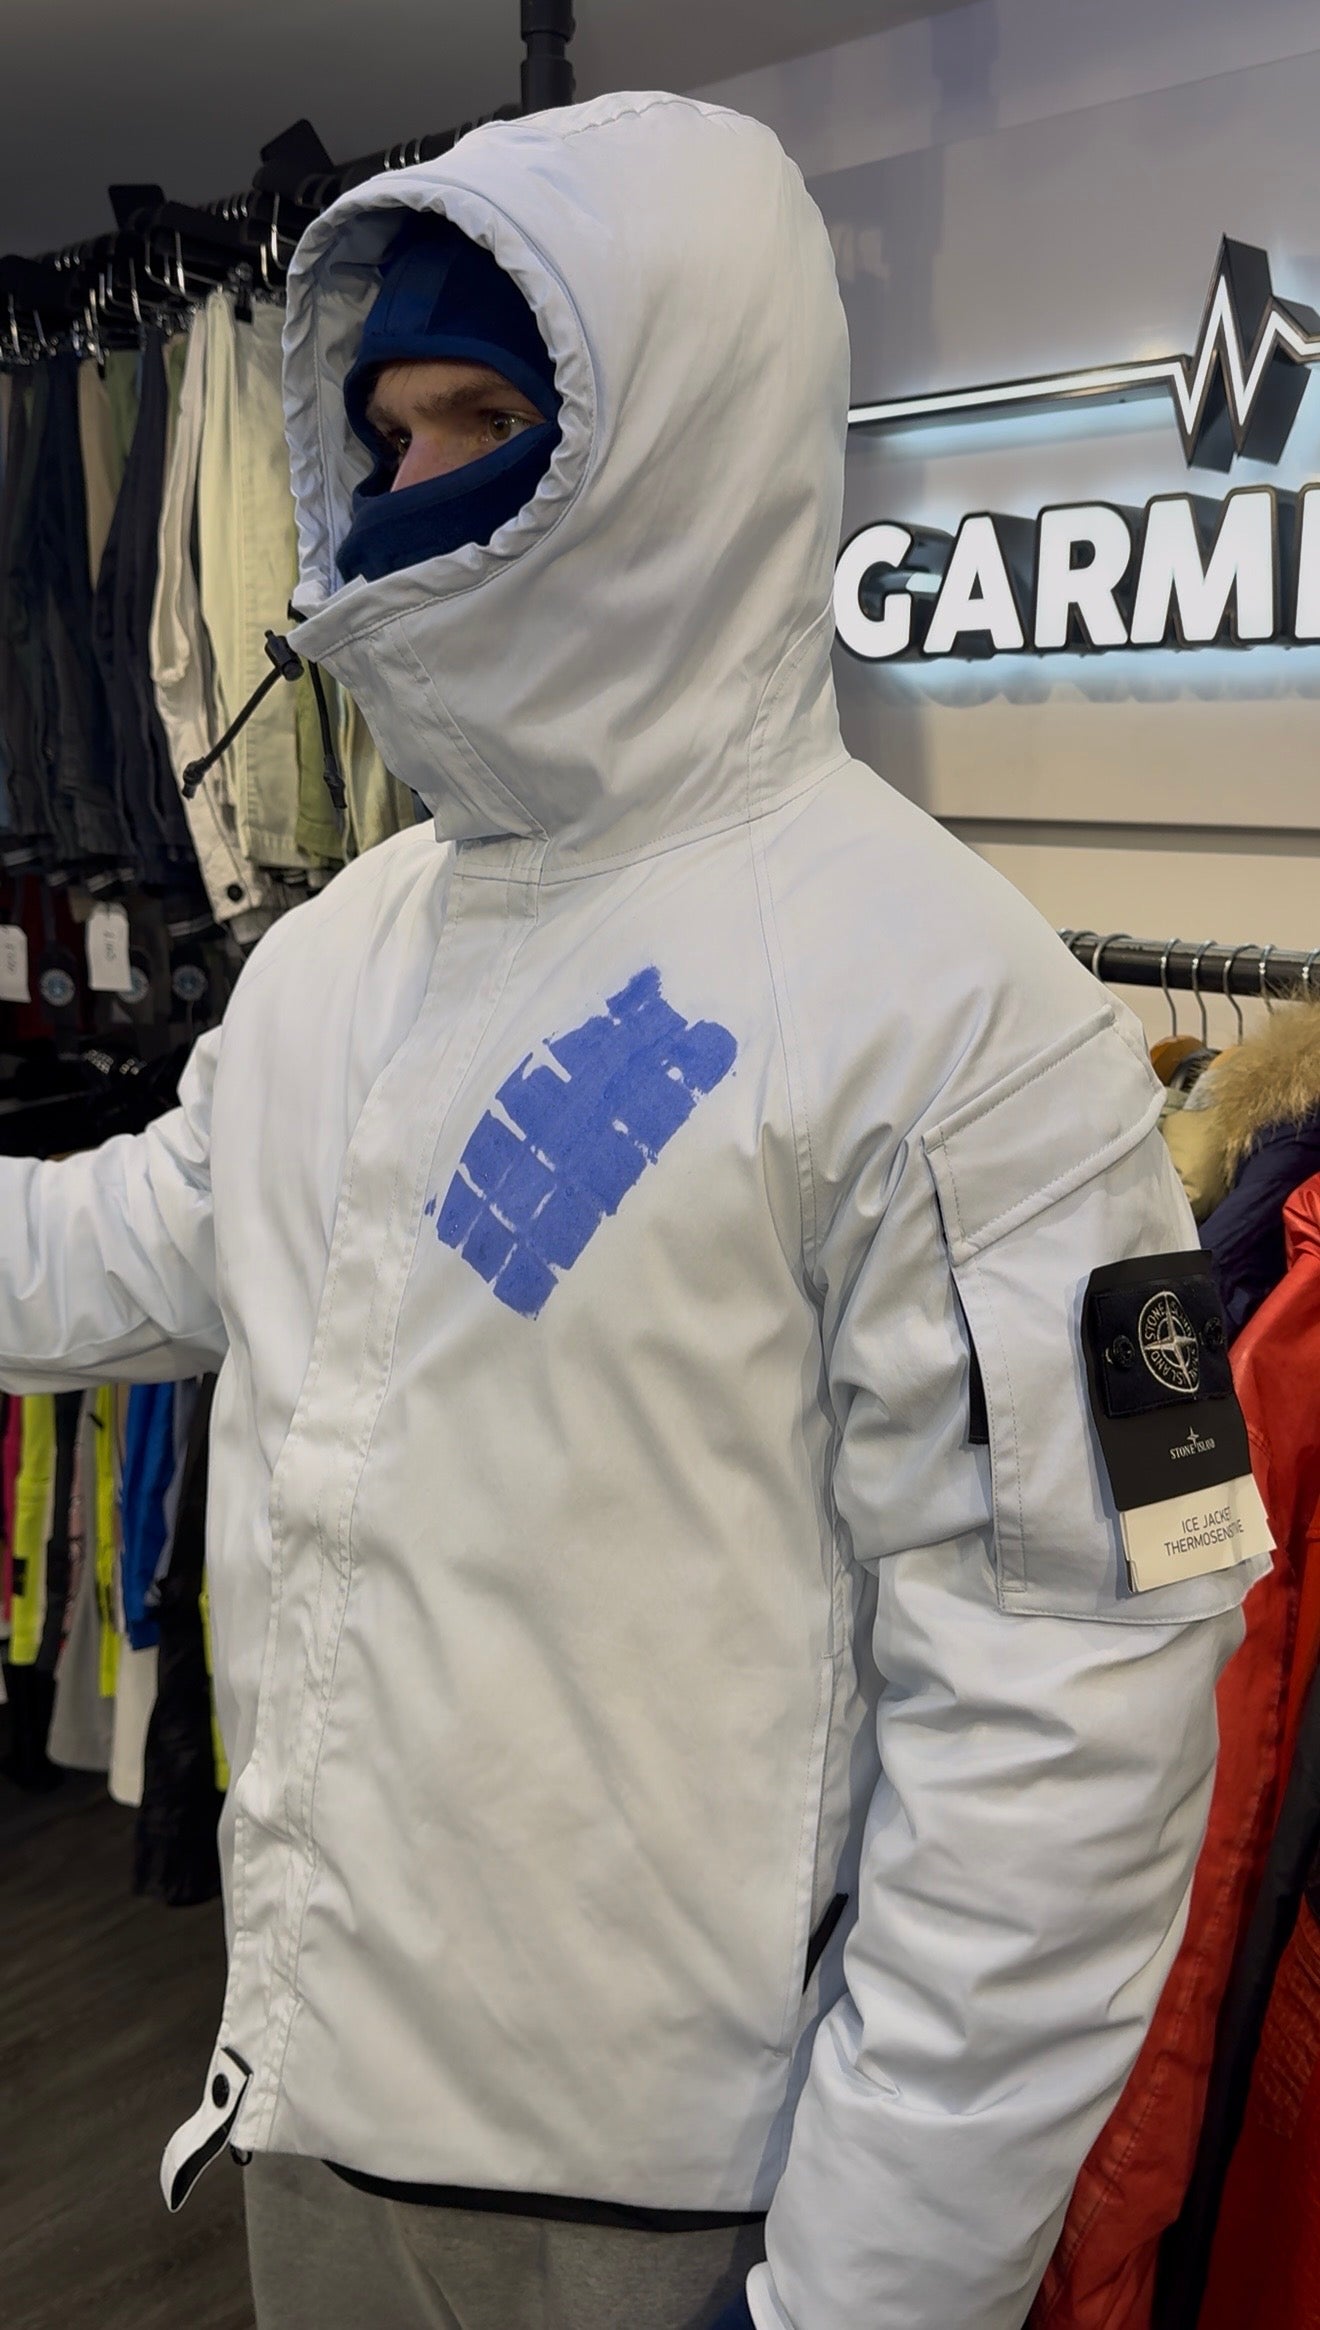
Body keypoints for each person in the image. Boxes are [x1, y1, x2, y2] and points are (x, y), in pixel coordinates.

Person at [0, 92, 1262, 2330]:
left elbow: (1074, 1711)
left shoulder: (948, 1012)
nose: (410, 485)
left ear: (681, 439)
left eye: (487, 421)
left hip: (686, 2220)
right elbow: (141, 1236)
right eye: (387, 430)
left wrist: (863, 2297)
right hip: (310, 2119)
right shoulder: (339, 959)